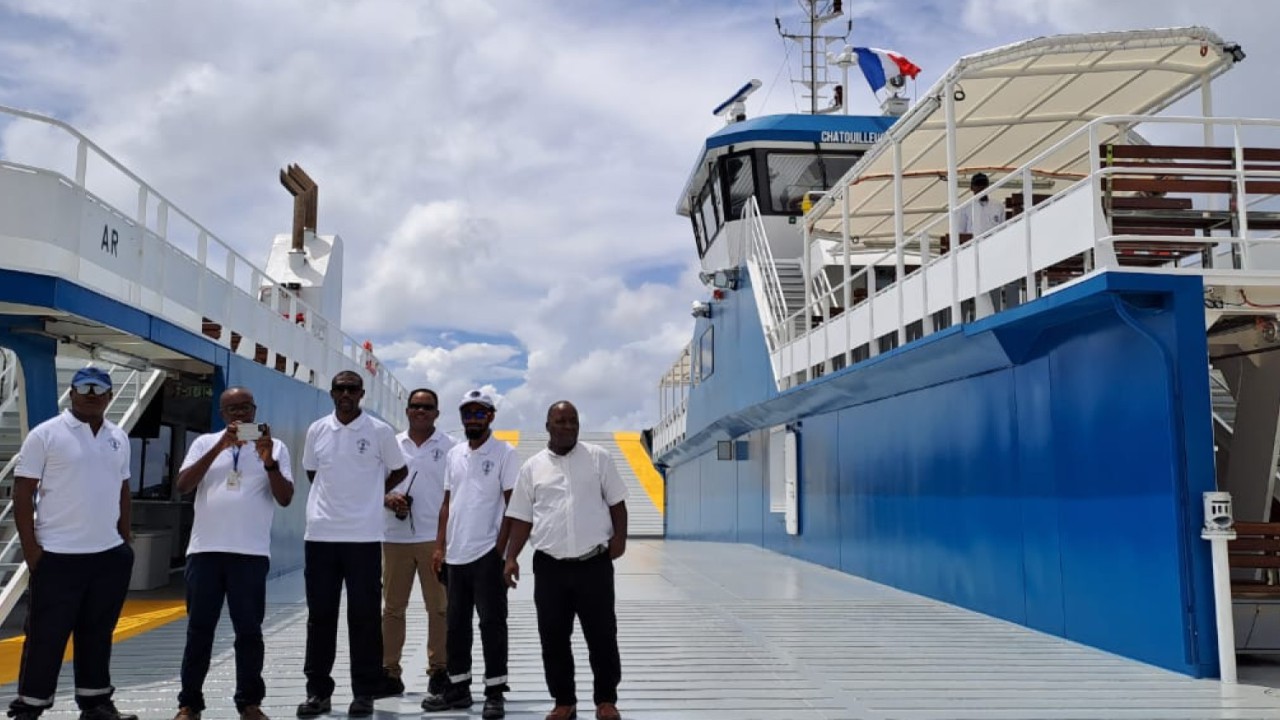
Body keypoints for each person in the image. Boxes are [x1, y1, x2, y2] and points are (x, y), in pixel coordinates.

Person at [7, 367, 138, 720]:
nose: (92, 393)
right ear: (72, 393)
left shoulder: (118, 437)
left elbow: (123, 489)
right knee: (46, 638)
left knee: (98, 633)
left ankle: (95, 702)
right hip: (58, 556)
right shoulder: (46, 434)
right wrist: (33, 552)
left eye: (100, 388)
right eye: (84, 387)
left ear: (110, 396)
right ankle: (30, 706)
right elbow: (23, 493)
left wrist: (124, 540)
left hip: (108, 556)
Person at [172, 387, 295, 720]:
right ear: (222, 414)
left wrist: (269, 462)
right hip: (205, 552)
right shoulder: (203, 443)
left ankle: (250, 703)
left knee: (249, 632)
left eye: (245, 408)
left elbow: (285, 498)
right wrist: (219, 447)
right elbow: (183, 485)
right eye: (232, 409)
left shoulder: (275, 447)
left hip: (250, 554)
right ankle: (189, 704)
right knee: (199, 630)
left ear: (255, 410)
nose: (239, 415)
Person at [503, 401, 628, 720]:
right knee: (554, 637)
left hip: (593, 565)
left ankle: (606, 700)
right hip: (550, 567)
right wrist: (511, 557)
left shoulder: (598, 457)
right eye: (561, 421)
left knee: (602, 635)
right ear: (548, 425)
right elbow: (520, 517)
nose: (569, 427)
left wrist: (619, 541)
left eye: (573, 421)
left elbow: (617, 503)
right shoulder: (532, 467)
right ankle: (564, 701)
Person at [297, 371, 408, 718]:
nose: (346, 394)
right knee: (320, 617)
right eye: (340, 388)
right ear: (332, 393)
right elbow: (313, 473)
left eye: (352, 389)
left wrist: (371, 494)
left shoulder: (379, 431)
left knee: (363, 619)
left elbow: (399, 470)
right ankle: (318, 692)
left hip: (363, 537)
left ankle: (364, 692)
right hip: (321, 536)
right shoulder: (317, 429)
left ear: (362, 394)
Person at [423, 389, 518, 719]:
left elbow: (512, 505)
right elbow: (447, 504)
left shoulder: (505, 452)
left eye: (480, 413)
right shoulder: (455, 454)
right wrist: (439, 546)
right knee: (456, 626)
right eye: (467, 413)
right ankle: (458, 688)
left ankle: (494, 692)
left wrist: (502, 551)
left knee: (492, 624)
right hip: (455, 555)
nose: (472, 419)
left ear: (491, 417)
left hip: (487, 554)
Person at [381, 388, 456, 698]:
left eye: (427, 407)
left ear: (437, 412)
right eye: (415, 406)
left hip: (434, 540)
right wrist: (388, 499)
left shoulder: (451, 447)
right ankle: (389, 671)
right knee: (392, 609)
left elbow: (456, 494)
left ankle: (439, 670)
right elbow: (373, 484)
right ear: (407, 410)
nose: (420, 411)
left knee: (439, 609)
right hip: (395, 537)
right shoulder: (391, 445)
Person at [956, 172, 1004, 239]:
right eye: (978, 185)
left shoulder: (998, 206)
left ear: (988, 187)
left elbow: (1003, 229)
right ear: (971, 188)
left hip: (994, 244)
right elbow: (960, 231)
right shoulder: (965, 207)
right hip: (974, 245)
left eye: (984, 185)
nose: (981, 188)